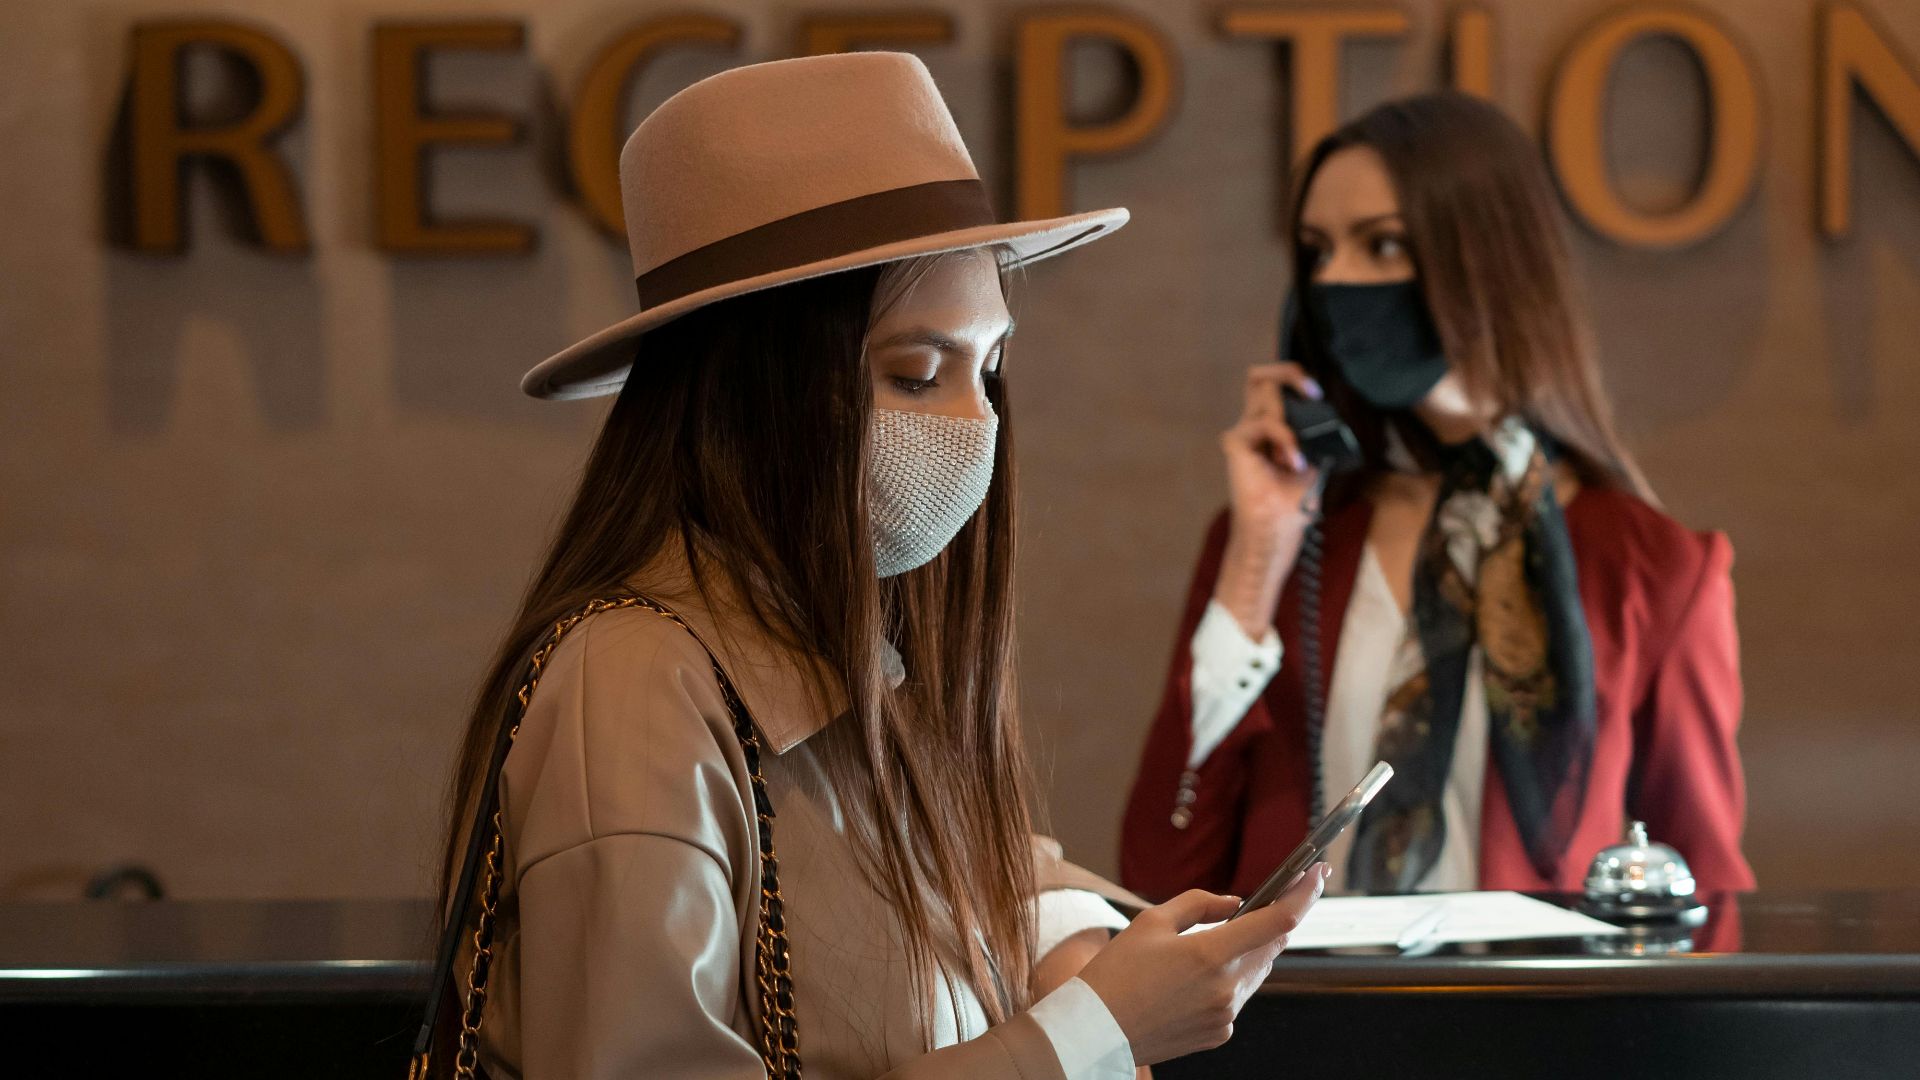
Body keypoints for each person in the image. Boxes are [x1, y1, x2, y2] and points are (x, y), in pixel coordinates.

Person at [424, 53, 1327, 1080]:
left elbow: (955, 859)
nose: (975, 420)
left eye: (989, 368)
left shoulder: (849, 650)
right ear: (756, 386)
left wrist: (1064, 938)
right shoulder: (633, 686)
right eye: (915, 370)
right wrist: (1089, 1035)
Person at [1120, 92, 1754, 903]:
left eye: (1381, 245)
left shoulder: (1653, 567)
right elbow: (1160, 875)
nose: (1335, 281)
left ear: (1489, 264)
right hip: (1300, 1018)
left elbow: (1703, 897)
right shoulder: (1290, 538)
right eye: (1317, 251)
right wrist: (1255, 563)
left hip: (1534, 1024)